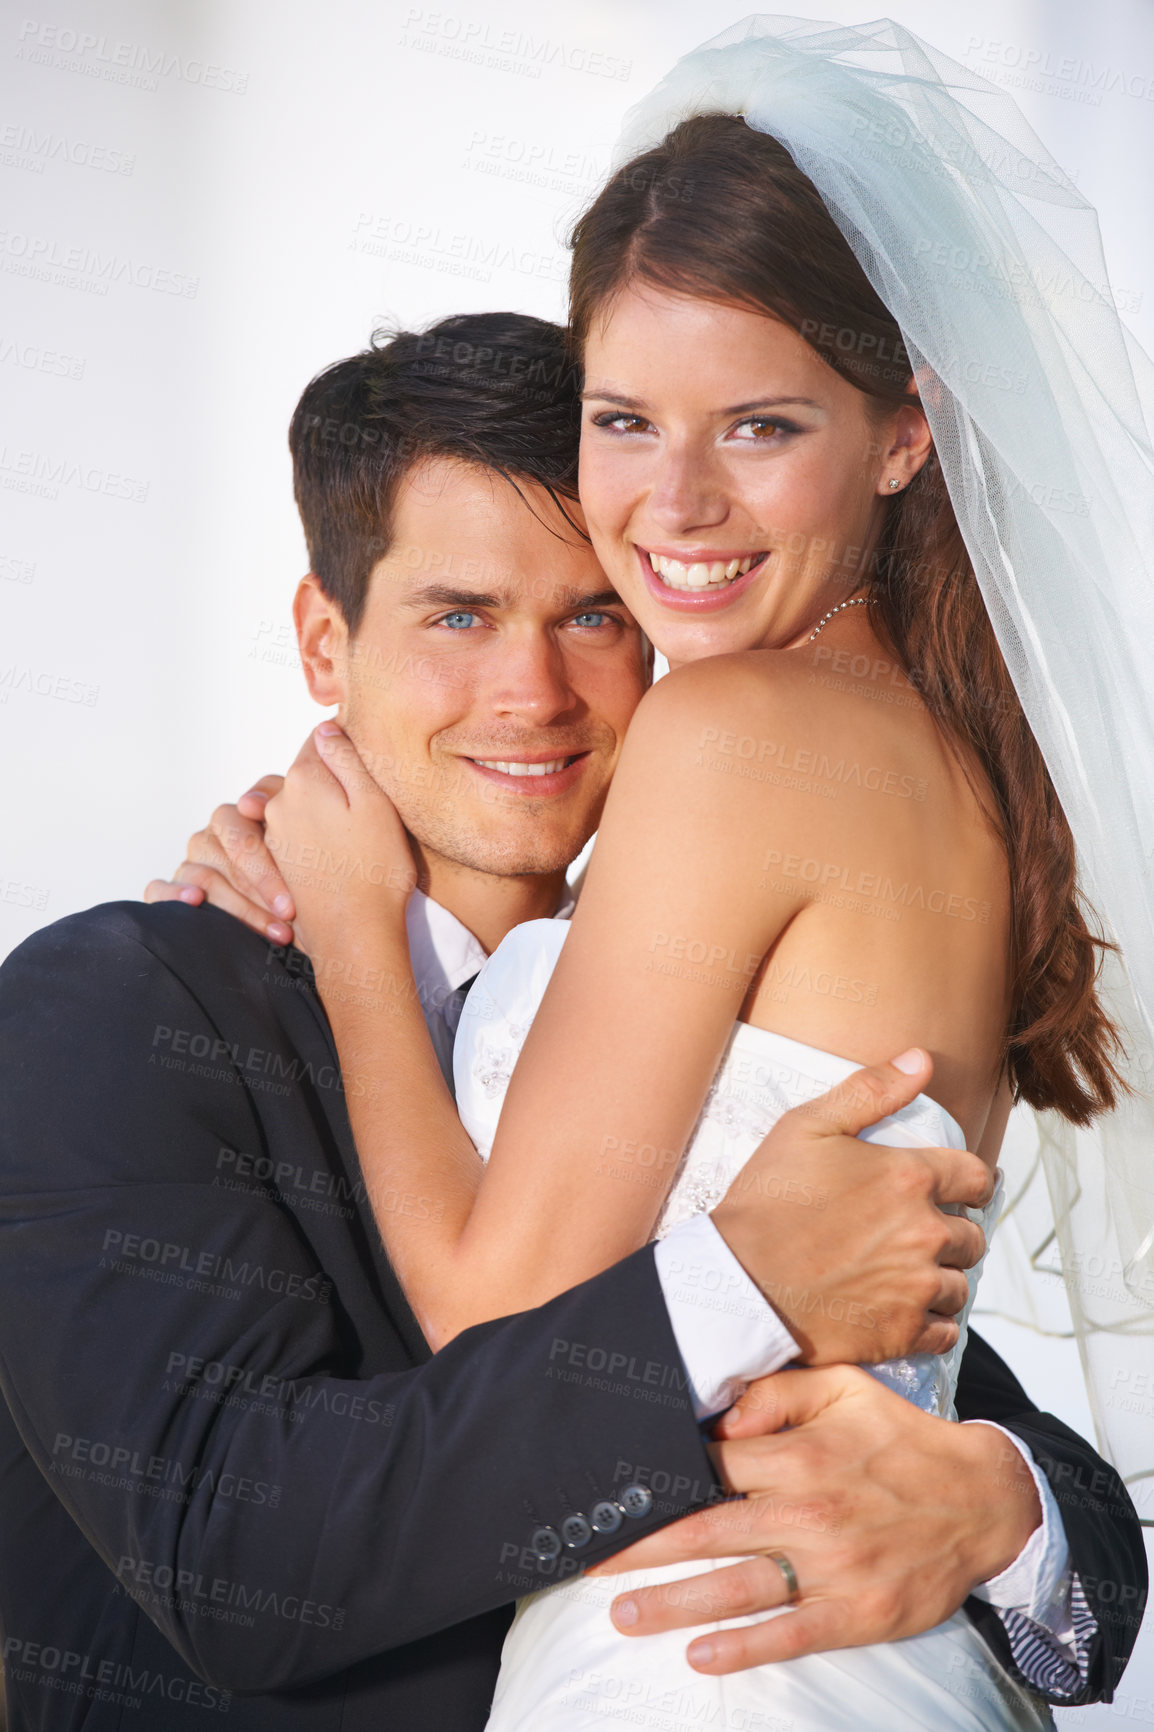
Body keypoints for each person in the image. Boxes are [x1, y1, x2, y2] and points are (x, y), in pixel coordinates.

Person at [200, 22, 1152, 1732]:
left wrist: (346, 925)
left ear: (902, 435)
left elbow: (501, 1319)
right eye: (624, 421)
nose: (676, 503)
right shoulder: (933, 747)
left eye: (760, 426)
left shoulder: (738, 730)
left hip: (705, 1666)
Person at [5, 313, 1134, 1732]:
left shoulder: (710, 1007)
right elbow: (234, 1555)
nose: (531, 695)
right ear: (323, 642)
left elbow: (955, 1398)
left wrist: (1005, 1508)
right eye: (458, 616)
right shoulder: (110, 1008)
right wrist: (733, 1284)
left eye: (593, 617)